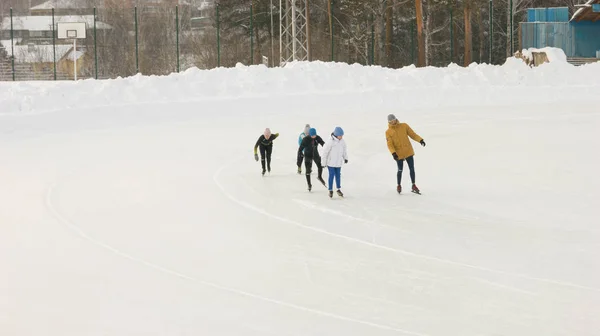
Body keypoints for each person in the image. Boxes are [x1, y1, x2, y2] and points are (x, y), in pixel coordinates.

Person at [385, 114, 426, 194]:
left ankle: (413, 185)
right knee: (400, 170)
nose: (393, 122)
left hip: (408, 151)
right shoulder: (388, 132)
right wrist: (393, 153)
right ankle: (399, 185)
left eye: (394, 120)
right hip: (398, 154)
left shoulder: (404, 126)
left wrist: (420, 140)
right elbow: (390, 144)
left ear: (396, 119)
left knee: (412, 168)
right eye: (391, 121)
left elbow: (412, 134)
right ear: (389, 122)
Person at [322, 127, 348, 198]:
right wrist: (323, 163)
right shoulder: (330, 142)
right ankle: (330, 190)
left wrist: (345, 158)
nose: (341, 137)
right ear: (336, 135)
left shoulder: (342, 141)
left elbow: (344, 151)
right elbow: (325, 152)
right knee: (331, 175)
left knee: (338, 176)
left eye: (342, 135)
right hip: (331, 163)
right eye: (340, 135)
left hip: (338, 163)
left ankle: (338, 189)